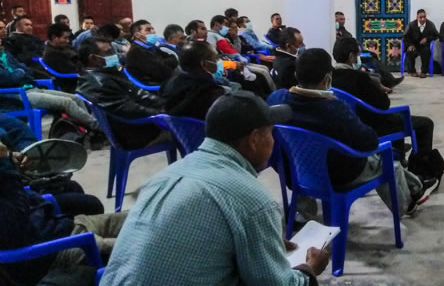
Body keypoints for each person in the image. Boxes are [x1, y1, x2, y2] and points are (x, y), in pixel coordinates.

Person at [101, 91, 329, 286]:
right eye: (270, 133)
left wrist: (263, 245)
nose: (273, 141)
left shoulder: (167, 175)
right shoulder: (253, 201)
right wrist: (309, 269)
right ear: (254, 140)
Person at [268, 48, 436, 217]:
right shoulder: (335, 109)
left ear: (296, 75)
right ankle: (409, 203)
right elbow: (369, 142)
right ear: (327, 79)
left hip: (299, 172)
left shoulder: (276, 99)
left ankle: (416, 188)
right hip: (340, 176)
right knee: (386, 159)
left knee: (382, 158)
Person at [0, 140, 126, 286]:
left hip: (64, 225)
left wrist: (11, 158)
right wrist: (5, 165)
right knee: (141, 245)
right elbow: (15, 223)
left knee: (141, 217)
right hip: (54, 251)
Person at [332, 38, 443, 182]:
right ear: (351, 56)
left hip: (352, 123)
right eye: (357, 55)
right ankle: (420, 172)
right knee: (425, 124)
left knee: (397, 118)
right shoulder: (359, 78)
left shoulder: (330, 77)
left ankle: (399, 157)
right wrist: (379, 89)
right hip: (373, 126)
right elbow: (384, 104)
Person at [0, 112, 104, 217]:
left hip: (18, 188)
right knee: (92, 204)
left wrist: (25, 156)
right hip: (19, 206)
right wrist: (6, 162)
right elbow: (19, 214)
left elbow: (19, 131)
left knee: (73, 187)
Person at [77, 38, 168, 150]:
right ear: (93, 58)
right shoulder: (99, 83)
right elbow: (131, 109)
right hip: (137, 133)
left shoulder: (103, 74)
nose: (114, 55)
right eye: (108, 52)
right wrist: (166, 114)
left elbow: (138, 95)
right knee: (185, 129)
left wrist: (167, 105)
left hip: (136, 126)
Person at [0, 40, 98, 131]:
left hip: (32, 87)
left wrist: (20, 72)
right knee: (67, 102)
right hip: (18, 95)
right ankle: (97, 127)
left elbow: (27, 70)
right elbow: (9, 79)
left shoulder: (6, 55)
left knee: (76, 99)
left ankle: (87, 130)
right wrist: (20, 71)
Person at [161, 42, 227, 120]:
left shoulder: (170, 83)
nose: (218, 61)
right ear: (204, 64)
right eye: (215, 58)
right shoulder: (211, 92)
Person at [125, 19, 179, 86]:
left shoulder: (150, 47)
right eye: (148, 30)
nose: (153, 31)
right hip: (154, 85)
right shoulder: (136, 51)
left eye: (153, 29)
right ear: (137, 35)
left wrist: (164, 63)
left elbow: (173, 58)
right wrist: (166, 63)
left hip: (164, 81)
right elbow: (163, 72)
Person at [42, 23, 82, 93]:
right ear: (54, 37)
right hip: (72, 85)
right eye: (65, 38)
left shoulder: (64, 47)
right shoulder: (52, 54)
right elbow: (72, 71)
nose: (68, 41)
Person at [403, 8, 439, 78]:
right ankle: (412, 71)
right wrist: (410, 45)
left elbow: (436, 35)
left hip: (424, 46)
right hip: (413, 45)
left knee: (426, 52)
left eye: (424, 17)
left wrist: (427, 39)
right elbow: (405, 36)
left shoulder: (430, 24)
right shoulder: (411, 25)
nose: (423, 19)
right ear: (417, 17)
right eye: (420, 17)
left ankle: (424, 71)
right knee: (410, 52)